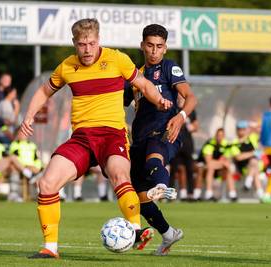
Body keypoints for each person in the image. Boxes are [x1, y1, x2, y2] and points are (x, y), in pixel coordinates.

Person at [18, 18, 172, 259]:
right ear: (74, 44)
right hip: (82, 138)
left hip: (112, 134)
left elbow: (144, 83)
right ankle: (50, 248)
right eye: (82, 44)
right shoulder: (67, 66)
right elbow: (44, 91)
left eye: (91, 43)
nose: (87, 49)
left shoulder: (117, 59)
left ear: (98, 40)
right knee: (46, 184)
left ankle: (135, 230)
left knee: (120, 175)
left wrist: (159, 100)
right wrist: (28, 116)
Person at [124, 24, 197, 256]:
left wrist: (181, 116)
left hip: (167, 130)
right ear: (142, 46)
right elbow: (119, 104)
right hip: (139, 138)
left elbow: (190, 97)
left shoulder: (168, 68)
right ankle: (168, 234)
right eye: (150, 46)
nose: (154, 51)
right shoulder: (134, 75)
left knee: (154, 160)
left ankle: (163, 187)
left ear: (165, 48)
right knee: (140, 198)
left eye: (159, 46)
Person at [194, 128, 237, 201]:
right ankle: (206, 194)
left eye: (221, 136)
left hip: (217, 168)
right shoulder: (210, 144)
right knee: (209, 168)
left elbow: (227, 160)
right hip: (204, 167)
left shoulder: (226, 145)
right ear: (215, 135)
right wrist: (222, 162)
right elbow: (208, 162)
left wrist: (223, 162)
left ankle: (232, 195)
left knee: (227, 170)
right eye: (218, 135)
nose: (220, 137)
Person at [170, 94, 198, 201]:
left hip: (187, 144)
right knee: (174, 168)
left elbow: (196, 126)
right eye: (179, 97)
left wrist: (191, 127)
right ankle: (170, 193)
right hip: (175, 142)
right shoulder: (174, 110)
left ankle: (190, 193)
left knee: (189, 168)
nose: (181, 99)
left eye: (183, 97)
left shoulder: (190, 111)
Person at [230, 120, 264, 200]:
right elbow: (238, 157)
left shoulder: (252, 137)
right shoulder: (234, 142)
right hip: (243, 168)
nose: (242, 131)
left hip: (256, 166)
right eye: (240, 129)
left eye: (244, 129)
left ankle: (248, 183)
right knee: (254, 163)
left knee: (254, 163)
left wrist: (254, 127)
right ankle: (261, 194)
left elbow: (262, 132)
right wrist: (252, 153)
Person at [9, 135, 43, 202]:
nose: (22, 136)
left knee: (41, 171)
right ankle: (14, 194)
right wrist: (25, 166)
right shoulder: (14, 145)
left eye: (24, 134)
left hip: (31, 167)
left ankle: (42, 195)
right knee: (13, 166)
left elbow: (36, 159)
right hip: (20, 167)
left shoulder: (32, 145)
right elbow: (13, 158)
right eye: (20, 134)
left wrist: (37, 167)